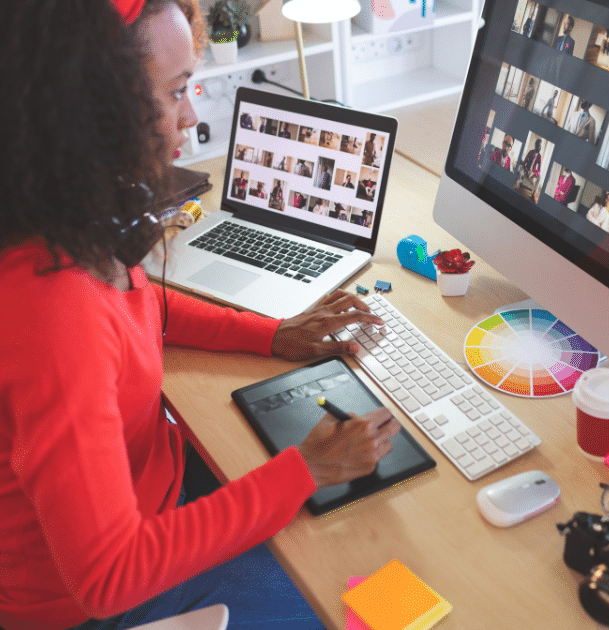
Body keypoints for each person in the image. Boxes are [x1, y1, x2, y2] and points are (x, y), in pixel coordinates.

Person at [0, 2, 401, 629]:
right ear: (95, 112)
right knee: (350, 586)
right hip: (94, 605)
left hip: (155, 489)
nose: (192, 116)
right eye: (177, 90)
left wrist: (274, 335)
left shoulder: (68, 219)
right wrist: (308, 469)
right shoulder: (53, 310)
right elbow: (110, 576)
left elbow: (143, 306)